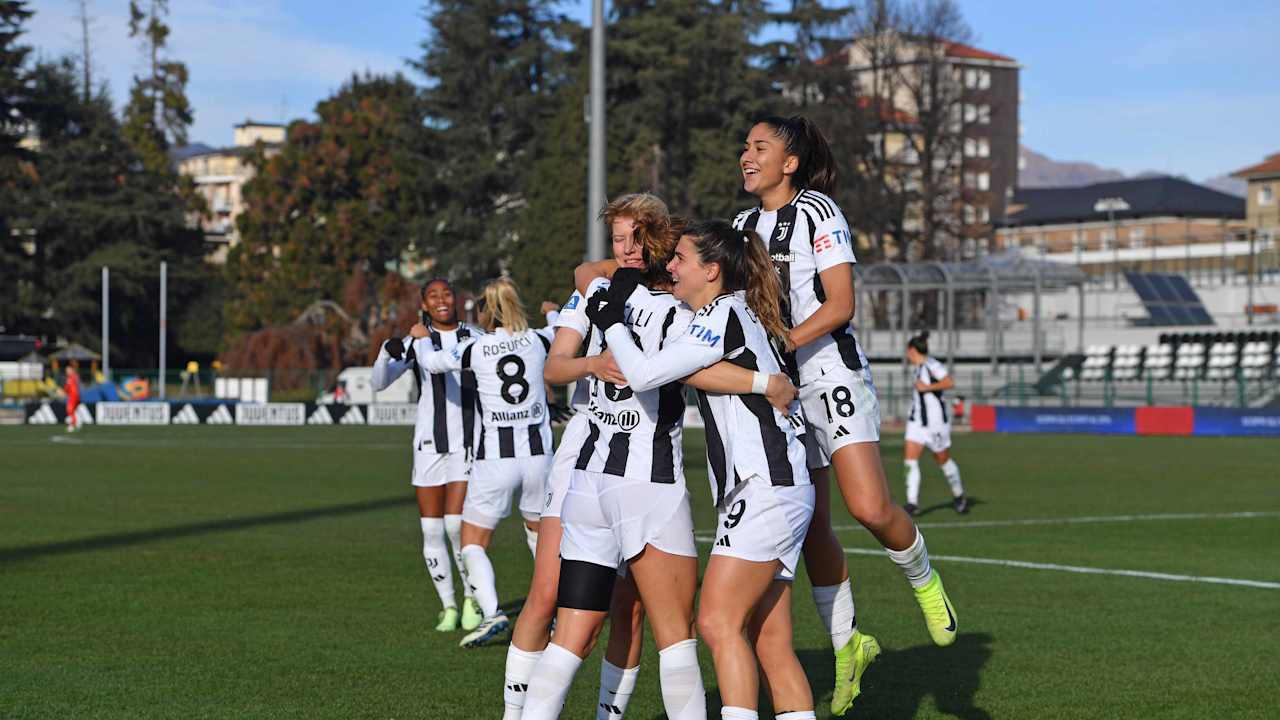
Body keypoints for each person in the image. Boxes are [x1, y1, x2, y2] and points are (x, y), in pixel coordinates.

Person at [515, 194, 796, 720]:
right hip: (647, 484)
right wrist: (765, 381)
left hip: (586, 481)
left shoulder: (598, 292)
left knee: (569, 637)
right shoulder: (687, 312)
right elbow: (692, 370)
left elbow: (586, 276)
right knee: (677, 639)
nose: (623, 250)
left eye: (630, 240)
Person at [733, 115, 956, 674]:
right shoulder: (739, 225)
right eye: (745, 146)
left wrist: (782, 342)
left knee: (871, 507)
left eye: (760, 147)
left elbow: (840, 305)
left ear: (790, 163)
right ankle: (847, 644)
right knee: (811, 525)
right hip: (780, 389)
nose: (746, 155)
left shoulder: (817, 212)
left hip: (830, 373)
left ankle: (926, 581)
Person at [583, 220, 817, 720]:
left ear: (711, 271)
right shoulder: (729, 312)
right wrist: (760, 381)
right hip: (774, 485)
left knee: (715, 622)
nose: (671, 266)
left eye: (682, 259)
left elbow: (645, 373)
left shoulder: (720, 314)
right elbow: (685, 368)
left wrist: (611, 321)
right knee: (770, 640)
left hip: (764, 486)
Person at [417, 278, 556, 649]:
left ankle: (493, 612)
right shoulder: (542, 339)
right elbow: (564, 328)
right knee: (541, 537)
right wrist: (553, 311)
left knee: (472, 543)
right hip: (540, 457)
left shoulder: (475, 348)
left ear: (484, 312)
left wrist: (419, 337)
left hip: (496, 459)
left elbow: (431, 362)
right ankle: (554, 611)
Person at [372, 278, 485, 633]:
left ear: (456, 299)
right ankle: (448, 606)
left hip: (467, 444)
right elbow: (378, 383)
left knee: (455, 527)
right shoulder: (414, 342)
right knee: (432, 530)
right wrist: (383, 353)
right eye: (433, 295)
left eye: (447, 294)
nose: (441, 300)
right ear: (423, 302)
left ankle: (471, 598)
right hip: (427, 445)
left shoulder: (476, 337)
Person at [903, 332, 968, 515]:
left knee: (943, 460)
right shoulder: (917, 367)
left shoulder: (931, 365)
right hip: (917, 423)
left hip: (935, 424)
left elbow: (949, 382)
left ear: (912, 350)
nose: (907, 355)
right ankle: (912, 502)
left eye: (908, 351)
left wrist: (928, 387)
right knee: (909, 461)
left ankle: (959, 495)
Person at [64, 362, 81, 433]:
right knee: (71, 411)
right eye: (66, 370)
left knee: (70, 410)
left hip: (74, 396)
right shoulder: (73, 377)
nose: (67, 371)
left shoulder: (72, 377)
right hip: (74, 396)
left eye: (68, 370)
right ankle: (76, 422)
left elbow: (68, 387)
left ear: (71, 370)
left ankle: (72, 425)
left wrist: (64, 390)